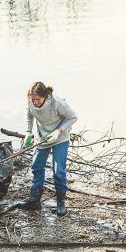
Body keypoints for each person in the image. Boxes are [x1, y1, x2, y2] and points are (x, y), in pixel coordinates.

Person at [18, 82, 77, 216]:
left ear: (45, 96)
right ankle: (34, 200)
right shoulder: (31, 102)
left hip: (60, 137)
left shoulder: (57, 103)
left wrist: (59, 131)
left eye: (37, 99)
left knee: (58, 171)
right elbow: (29, 115)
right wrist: (28, 131)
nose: (35, 102)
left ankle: (61, 203)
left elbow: (73, 117)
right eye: (32, 99)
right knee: (37, 167)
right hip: (42, 137)